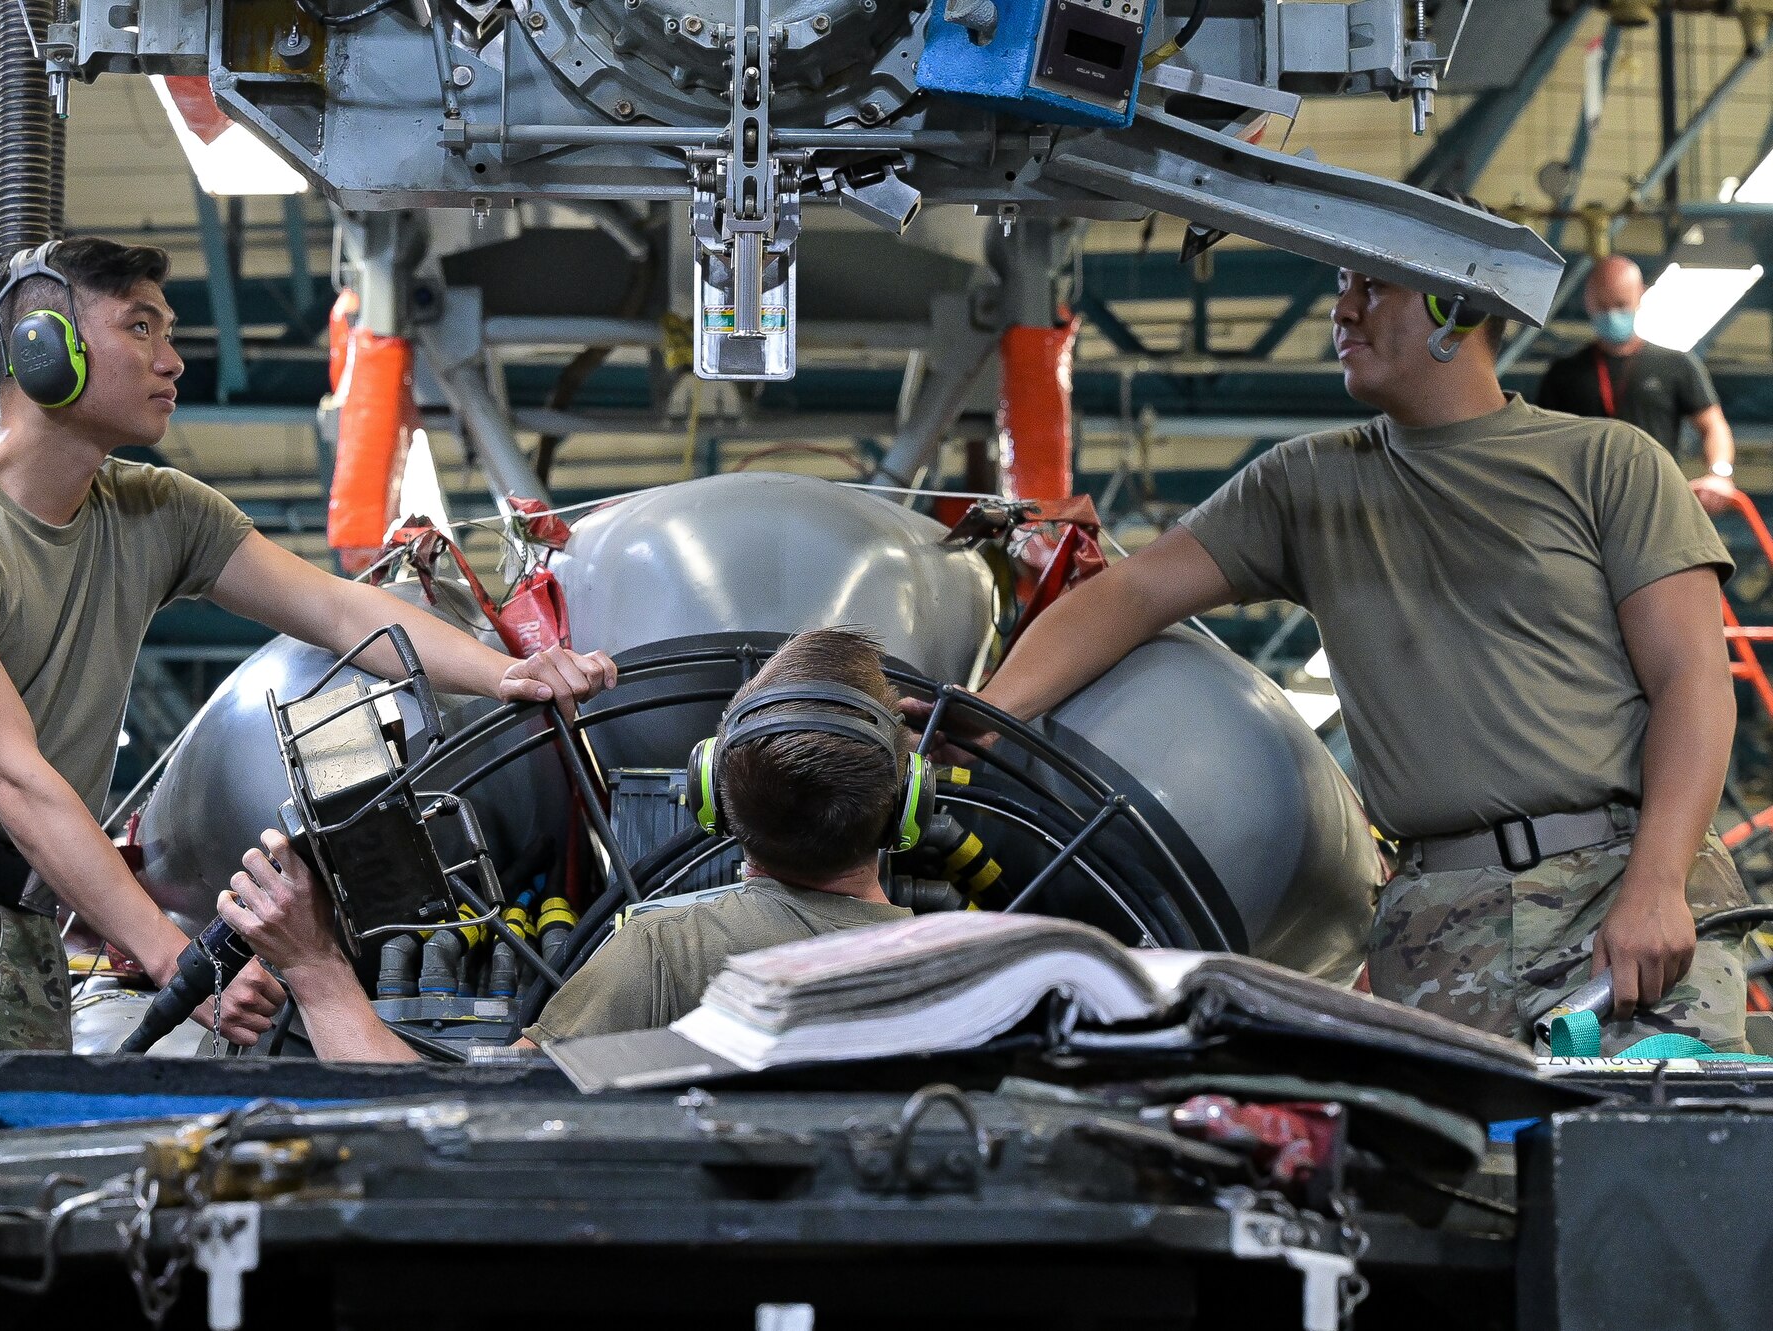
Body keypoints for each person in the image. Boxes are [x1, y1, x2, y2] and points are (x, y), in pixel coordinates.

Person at [0, 236, 616, 1113]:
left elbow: (337, 610)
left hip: (24, 924)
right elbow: (11, 777)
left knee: (13, 1203)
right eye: (140, 328)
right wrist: (180, 959)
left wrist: (506, 673)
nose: (172, 359)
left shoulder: (155, 511)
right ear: (42, 350)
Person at [925, 246, 1753, 1055]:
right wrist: (991, 711)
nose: (1343, 308)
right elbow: (1129, 594)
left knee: (1666, 1166)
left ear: (1455, 306)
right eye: (1341, 283)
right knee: (1477, 1187)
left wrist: (1657, 883)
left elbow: (1691, 684)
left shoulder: (1608, 462)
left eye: (1375, 284)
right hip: (1440, 929)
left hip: (1623, 888)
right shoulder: (1307, 486)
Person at [214, 627, 916, 1061]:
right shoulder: (979, 965)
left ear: (708, 794)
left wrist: (314, 968)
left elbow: (462, 1127)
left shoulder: (662, 951)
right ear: (912, 800)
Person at [1536, 254, 1739, 517]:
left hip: (1657, 504)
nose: (1612, 315)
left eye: (1621, 305)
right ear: (1588, 302)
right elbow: (1542, 442)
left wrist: (1719, 474)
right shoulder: (1564, 374)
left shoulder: (1676, 364)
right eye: (1603, 306)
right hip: (1584, 508)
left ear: (1640, 296)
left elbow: (1713, 425)